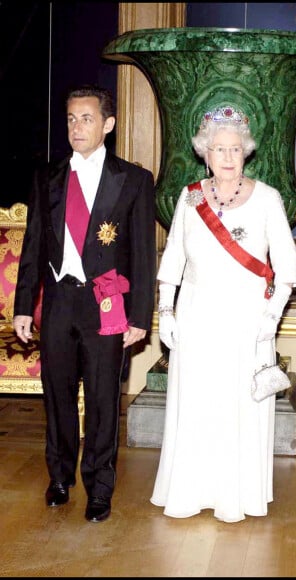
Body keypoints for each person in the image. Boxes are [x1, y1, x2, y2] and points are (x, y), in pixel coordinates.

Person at [13, 84, 157, 523]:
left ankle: (99, 485)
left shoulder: (132, 179)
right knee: (55, 395)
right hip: (58, 303)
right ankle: (59, 476)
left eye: (87, 119)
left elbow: (143, 253)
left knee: (101, 399)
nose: (78, 127)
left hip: (107, 305)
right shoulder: (49, 177)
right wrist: (23, 305)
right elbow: (34, 243)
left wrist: (139, 317)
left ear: (108, 125)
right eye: (72, 119)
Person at [150, 105, 296, 522]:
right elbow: (174, 256)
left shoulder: (268, 198)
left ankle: (236, 496)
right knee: (198, 402)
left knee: (239, 404)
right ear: (205, 152)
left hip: (248, 318)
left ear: (246, 151)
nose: (228, 157)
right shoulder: (190, 196)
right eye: (220, 149)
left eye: (236, 148)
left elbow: (286, 270)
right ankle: (192, 491)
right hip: (197, 313)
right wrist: (166, 309)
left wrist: (270, 319)